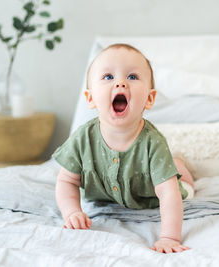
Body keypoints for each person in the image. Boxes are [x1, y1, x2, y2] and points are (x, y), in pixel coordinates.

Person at [52, 43, 195, 254]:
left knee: (185, 186)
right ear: (90, 98)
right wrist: (72, 211)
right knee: (169, 168)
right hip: (105, 196)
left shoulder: (153, 143)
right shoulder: (83, 138)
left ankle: (179, 166)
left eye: (132, 77)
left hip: (149, 196)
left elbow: (169, 194)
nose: (120, 83)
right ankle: (174, 163)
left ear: (149, 98)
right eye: (108, 77)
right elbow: (66, 181)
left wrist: (169, 238)